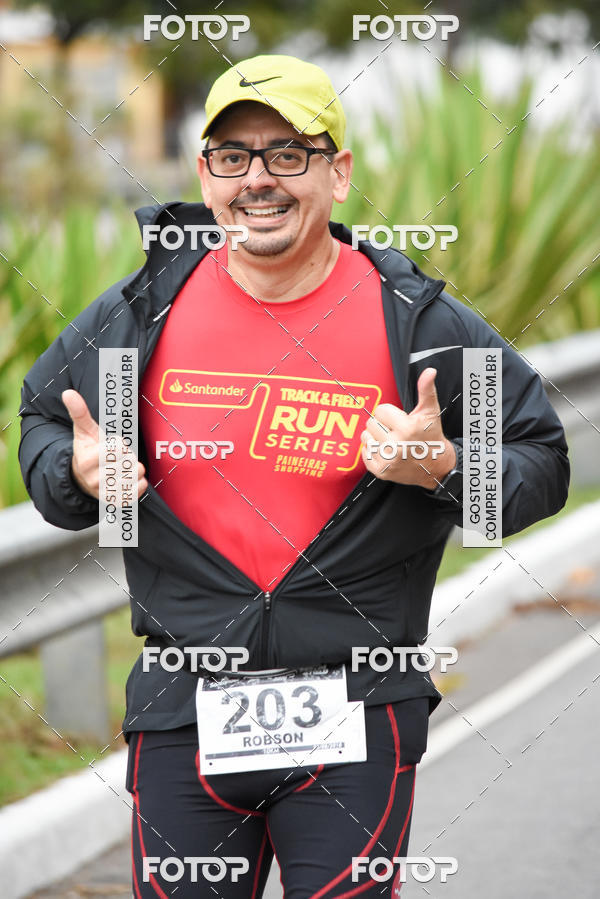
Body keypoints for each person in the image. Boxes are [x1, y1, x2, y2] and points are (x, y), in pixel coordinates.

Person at [19, 53, 569, 897]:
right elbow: (45, 421)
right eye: (233, 157)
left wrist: (445, 466)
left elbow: (541, 461)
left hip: (356, 706)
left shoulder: (423, 323)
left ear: (338, 172)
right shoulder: (139, 312)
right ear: (204, 178)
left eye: (289, 153)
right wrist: (74, 472)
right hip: (183, 708)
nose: (258, 181)